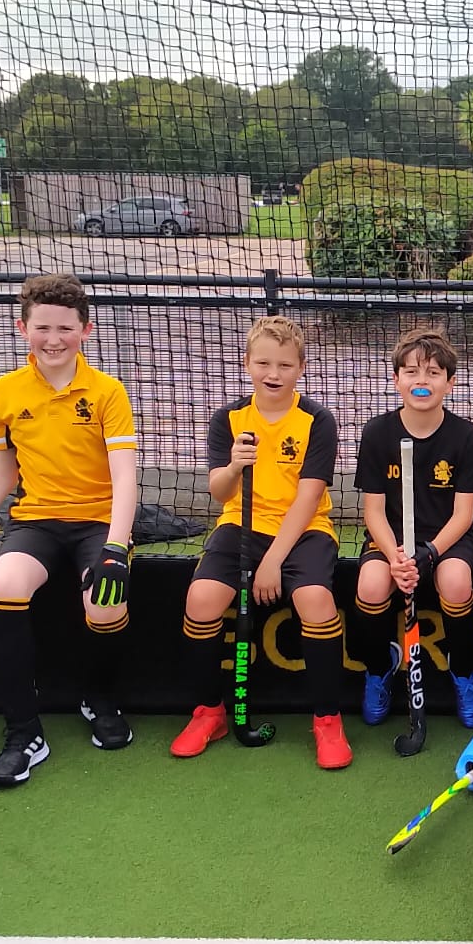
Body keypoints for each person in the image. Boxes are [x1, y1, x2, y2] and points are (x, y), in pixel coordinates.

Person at [0, 273, 138, 788]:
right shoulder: (4, 392)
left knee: (105, 603)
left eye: (65, 329)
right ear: (22, 328)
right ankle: (23, 733)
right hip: (35, 521)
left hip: (98, 521)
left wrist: (116, 547)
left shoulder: (108, 392)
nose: (53, 339)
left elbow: (125, 477)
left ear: (86, 331)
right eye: (42, 328)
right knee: (4, 587)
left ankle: (99, 698)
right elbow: (1, 473)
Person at [174, 315, 351, 768]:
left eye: (285, 365)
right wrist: (235, 465)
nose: (274, 374)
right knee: (201, 598)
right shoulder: (230, 419)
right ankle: (208, 712)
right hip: (241, 523)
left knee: (315, 600)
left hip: (305, 528)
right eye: (264, 363)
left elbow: (309, 498)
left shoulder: (317, 420)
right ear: (247, 363)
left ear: (301, 368)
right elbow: (219, 492)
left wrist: (271, 561)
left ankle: (327, 720)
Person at [349, 328, 473, 731]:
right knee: (372, 585)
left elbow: (463, 515)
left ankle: (464, 672)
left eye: (432, 372)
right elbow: (373, 511)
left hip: (446, 540)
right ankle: (379, 669)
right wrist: (395, 556)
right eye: (411, 372)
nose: (421, 381)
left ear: (450, 382)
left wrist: (429, 553)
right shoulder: (377, 433)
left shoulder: (466, 436)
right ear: (396, 379)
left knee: (456, 582)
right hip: (391, 540)